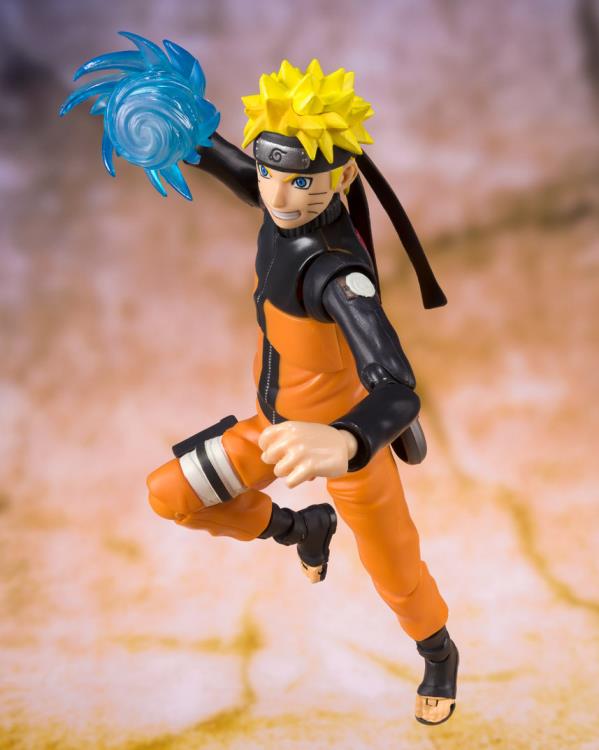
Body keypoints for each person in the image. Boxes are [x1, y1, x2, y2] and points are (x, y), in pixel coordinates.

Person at [60, 38, 458, 725]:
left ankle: (439, 652)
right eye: (271, 170)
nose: (278, 193)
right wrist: (169, 117)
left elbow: (398, 385)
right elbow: (227, 164)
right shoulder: (280, 200)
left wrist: (347, 442)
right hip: (271, 432)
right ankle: (301, 527)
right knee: (170, 495)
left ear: (342, 177)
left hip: (343, 444)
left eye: (302, 181)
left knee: (395, 570)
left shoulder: (337, 272)